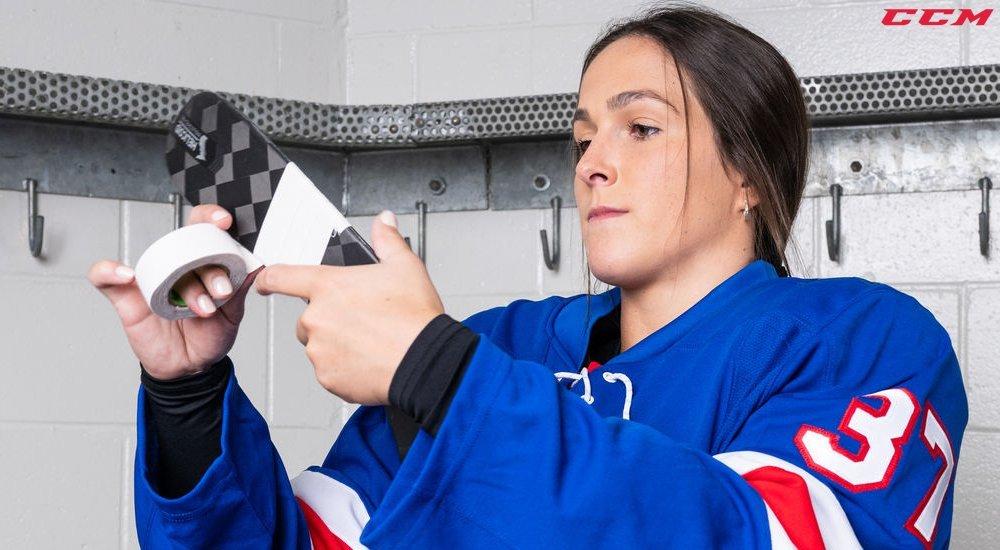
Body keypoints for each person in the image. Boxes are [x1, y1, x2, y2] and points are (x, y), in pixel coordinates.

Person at [88, 3, 967, 548]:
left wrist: (437, 375)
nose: (590, 164)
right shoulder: (500, 345)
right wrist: (189, 397)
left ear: (749, 173)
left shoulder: (863, 342)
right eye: (584, 136)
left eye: (642, 129)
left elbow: (747, 539)